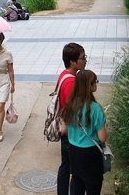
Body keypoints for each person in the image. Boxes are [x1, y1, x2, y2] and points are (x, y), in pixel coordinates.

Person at [60, 70, 108, 195]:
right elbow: (102, 138)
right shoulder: (96, 109)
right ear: (89, 86)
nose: (96, 84)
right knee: (93, 186)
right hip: (91, 154)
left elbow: (64, 129)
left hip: (74, 150)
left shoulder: (70, 104)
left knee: (77, 183)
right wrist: (106, 126)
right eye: (95, 82)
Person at [56, 43, 87, 195]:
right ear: (72, 61)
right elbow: (72, 110)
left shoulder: (65, 74)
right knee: (74, 170)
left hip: (66, 129)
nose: (85, 60)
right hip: (71, 132)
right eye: (82, 58)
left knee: (66, 166)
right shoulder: (71, 82)